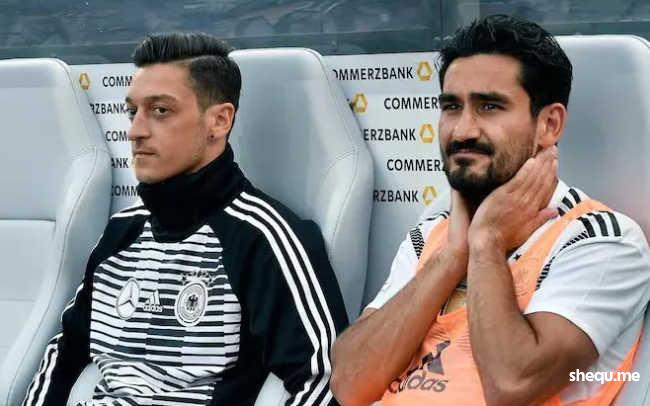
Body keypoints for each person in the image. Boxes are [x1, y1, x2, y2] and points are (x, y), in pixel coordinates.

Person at [331, 15, 650, 406]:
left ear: (549, 125)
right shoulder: (431, 235)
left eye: (490, 106)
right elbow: (349, 384)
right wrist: (452, 255)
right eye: (452, 106)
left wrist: (487, 242)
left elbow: (511, 385)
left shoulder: (600, 240)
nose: (463, 130)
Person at [23, 32, 348, 406]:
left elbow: (326, 382)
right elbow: (63, 352)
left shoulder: (264, 239)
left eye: (161, 110)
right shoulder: (121, 232)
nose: (136, 131)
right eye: (133, 112)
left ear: (219, 121)